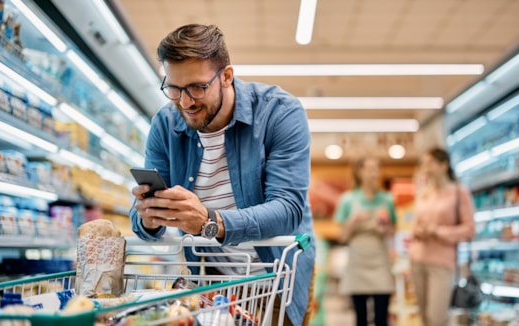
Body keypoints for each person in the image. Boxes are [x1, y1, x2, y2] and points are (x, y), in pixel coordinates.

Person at [128, 24, 316, 326]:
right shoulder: (164, 125)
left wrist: (209, 222)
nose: (185, 102)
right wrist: (150, 217)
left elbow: (288, 210)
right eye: (174, 89)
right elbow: (140, 222)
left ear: (226, 76)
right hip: (211, 284)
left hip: (277, 278)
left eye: (197, 88)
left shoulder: (280, 113)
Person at [409, 148, 475, 326]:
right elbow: (415, 224)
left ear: (444, 165)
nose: (426, 168)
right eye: (424, 164)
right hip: (417, 260)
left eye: (430, 163)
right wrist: (418, 230)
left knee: (436, 318)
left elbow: (469, 229)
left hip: (442, 263)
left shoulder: (458, 193)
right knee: (423, 317)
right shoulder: (424, 193)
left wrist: (437, 231)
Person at [334, 156, 396, 326]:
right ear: (359, 172)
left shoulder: (387, 199)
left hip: (380, 262)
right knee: (360, 319)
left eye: (376, 169)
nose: (373, 174)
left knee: (381, 318)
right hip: (358, 263)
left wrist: (385, 229)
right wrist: (353, 222)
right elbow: (342, 236)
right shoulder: (347, 200)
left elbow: (393, 231)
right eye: (369, 169)